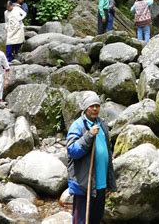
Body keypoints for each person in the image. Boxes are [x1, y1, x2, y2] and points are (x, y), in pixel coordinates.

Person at [67, 93, 115, 224]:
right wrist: (88, 136)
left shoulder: (102, 124)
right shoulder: (78, 126)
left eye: (97, 106)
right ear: (85, 108)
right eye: (91, 106)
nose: (95, 109)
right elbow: (72, 151)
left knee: (96, 219)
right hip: (84, 185)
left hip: (100, 184)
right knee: (81, 221)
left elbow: (107, 151)